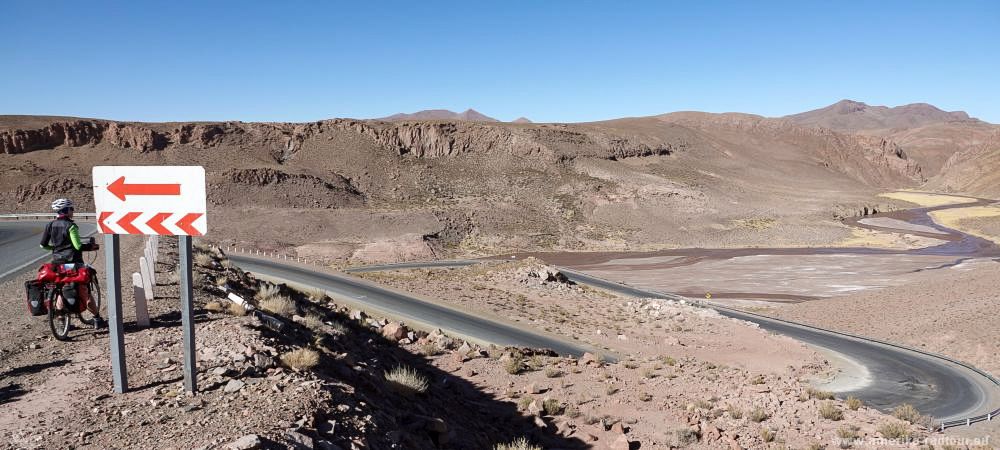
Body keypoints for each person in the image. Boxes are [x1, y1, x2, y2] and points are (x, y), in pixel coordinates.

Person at [39, 198, 106, 328]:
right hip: (73, 263)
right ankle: (97, 319)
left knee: (60, 288)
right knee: (85, 290)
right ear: (66, 210)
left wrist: (55, 248)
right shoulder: (71, 226)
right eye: (72, 209)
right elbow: (77, 246)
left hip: (57, 263)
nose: (73, 211)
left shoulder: (50, 225)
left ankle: (62, 322)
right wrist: (90, 247)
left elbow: (43, 245)